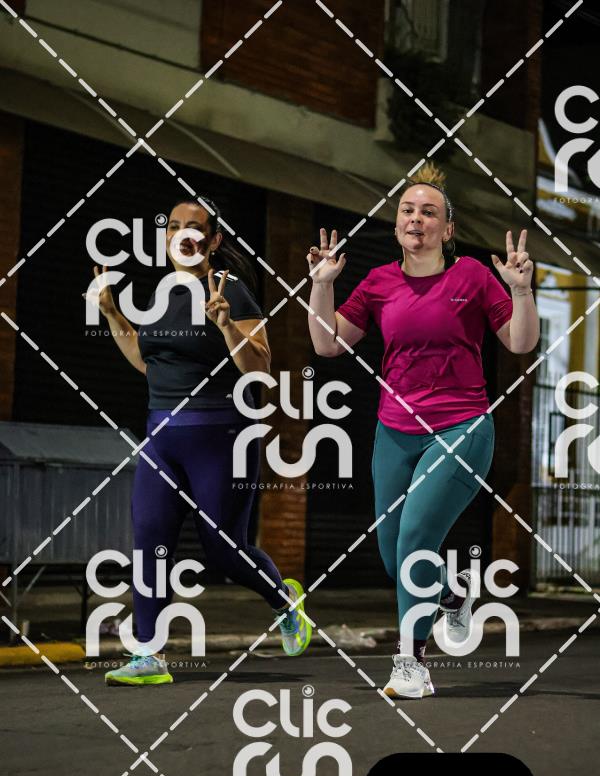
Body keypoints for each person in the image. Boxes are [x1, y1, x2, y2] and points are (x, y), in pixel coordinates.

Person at [306, 163, 539, 699]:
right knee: (395, 557)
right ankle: (452, 595)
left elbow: (520, 343)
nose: (417, 218)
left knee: (415, 539)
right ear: (396, 226)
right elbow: (326, 344)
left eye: (429, 212)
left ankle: (411, 663)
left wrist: (522, 292)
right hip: (394, 430)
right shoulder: (379, 282)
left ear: (447, 229)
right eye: (408, 210)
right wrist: (322, 287)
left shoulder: (472, 276)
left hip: (461, 427)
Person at [88, 197, 311, 685]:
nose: (183, 234)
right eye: (175, 226)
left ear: (213, 241)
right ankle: (148, 654)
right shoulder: (161, 293)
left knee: (224, 550)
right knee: (150, 540)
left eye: (195, 228)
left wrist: (226, 325)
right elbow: (148, 362)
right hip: (161, 437)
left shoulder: (230, 290)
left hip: (221, 436)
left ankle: (283, 600)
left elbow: (260, 366)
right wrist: (111, 313)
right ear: (166, 236)